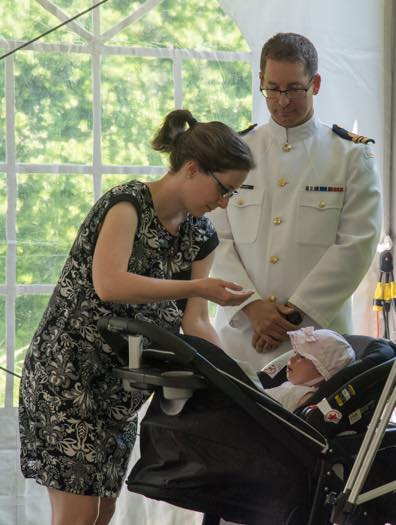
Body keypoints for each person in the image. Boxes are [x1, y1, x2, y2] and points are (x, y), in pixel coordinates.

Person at [18, 108, 255, 525]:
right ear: (192, 169)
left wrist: (237, 381)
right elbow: (110, 284)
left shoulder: (202, 235)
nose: (222, 203)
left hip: (122, 391)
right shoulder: (127, 204)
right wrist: (195, 288)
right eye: (222, 190)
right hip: (67, 375)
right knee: (76, 515)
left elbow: (195, 323)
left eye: (232, 194)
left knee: (103, 512)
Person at [209, 32, 382, 370]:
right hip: (241, 336)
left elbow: (357, 245)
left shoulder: (349, 155)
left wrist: (294, 313)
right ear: (261, 81)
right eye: (272, 88)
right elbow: (216, 239)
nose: (282, 100)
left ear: (315, 84)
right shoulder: (235, 152)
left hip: (318, 342)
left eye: (294, 88)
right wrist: (252, 307)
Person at [263, 326, 355, 412]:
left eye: (302, 357)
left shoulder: (307, 396)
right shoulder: (292, 385)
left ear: (321, 372)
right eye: (295, 353)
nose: (292, 358)